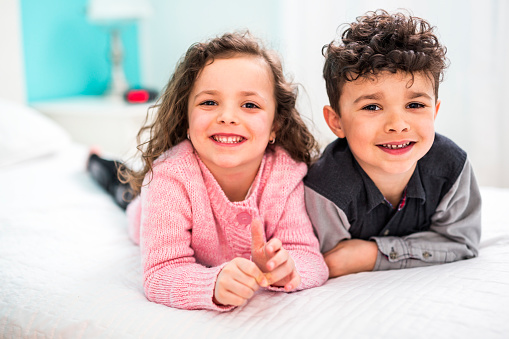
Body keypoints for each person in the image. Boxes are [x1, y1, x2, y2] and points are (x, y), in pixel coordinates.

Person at [87, 31, 328, 311]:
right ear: (186, 120)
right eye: (209, 102)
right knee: (124, 189)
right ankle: (97, 161)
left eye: (249, 105)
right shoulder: (169, 176)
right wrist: (211, 284)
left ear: (275, 125)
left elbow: (311, 259)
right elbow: (161, 273)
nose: (227, 116)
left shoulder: (285, 175)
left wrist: (286, 270)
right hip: (144, 208)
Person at [304, 10, 482, 278]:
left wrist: (373, 255)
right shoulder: (326, 188)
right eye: (372, 106)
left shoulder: (452, 167)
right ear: (337, 121)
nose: (397, 124)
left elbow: (461, 241)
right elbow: (328, 260)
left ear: (434, 112)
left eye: (415, 105)